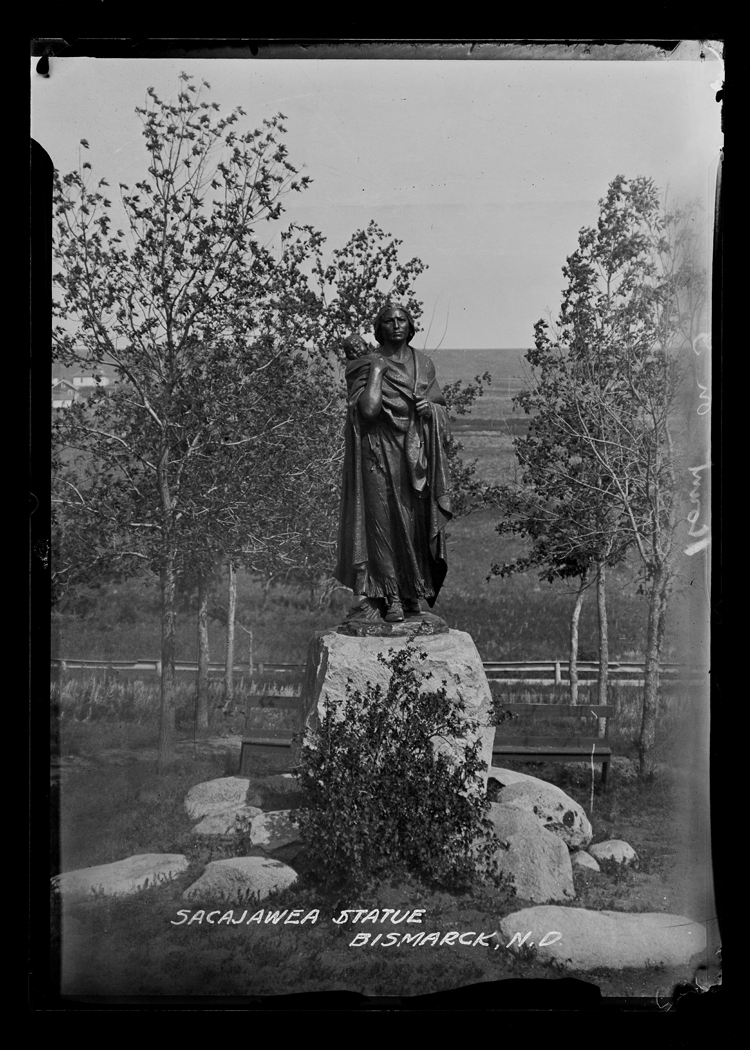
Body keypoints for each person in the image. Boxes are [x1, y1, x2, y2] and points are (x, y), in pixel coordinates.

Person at [335, 303, 453, 623]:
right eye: (389, 321)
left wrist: (431, 410)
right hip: (377, 452)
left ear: (411, 326)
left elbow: (441, 408)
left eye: (402, 320)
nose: (396, 325)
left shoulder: (424, 365)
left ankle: (413, 591)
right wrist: (376, 370)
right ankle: (389, 596)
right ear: (379, 327)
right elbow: (369, 410)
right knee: (382, 524)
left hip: (414, 456)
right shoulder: (365, 364)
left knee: (414, 524)